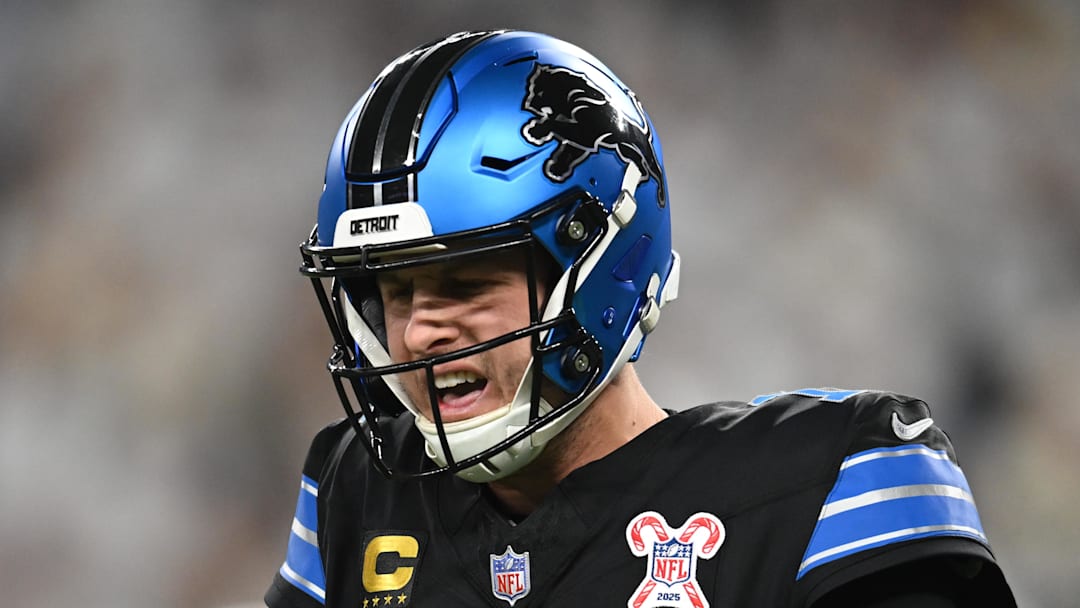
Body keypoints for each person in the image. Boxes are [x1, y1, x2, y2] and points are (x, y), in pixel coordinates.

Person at [265, 30, 1015, 608]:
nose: (422, 331)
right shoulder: (358, 494)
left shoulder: (823, 487)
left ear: (599, 269)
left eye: (463, 284)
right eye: (397, 295)